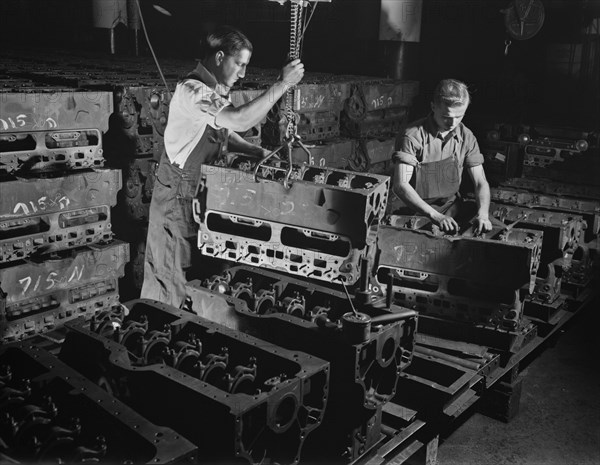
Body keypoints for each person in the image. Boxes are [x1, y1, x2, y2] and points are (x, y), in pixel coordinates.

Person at [141, 26, 304, 307]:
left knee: (204, 281)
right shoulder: (192, 91)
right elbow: (239, 120)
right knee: (171, 282)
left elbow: (225, 130)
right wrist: (282, 85)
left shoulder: (213, 91)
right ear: (219, 57)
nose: (242, 74)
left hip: (201, 197)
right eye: (239, 64)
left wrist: (257, 150)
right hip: (177, 203)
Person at [391, 79, 492, 234]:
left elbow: (480, 181)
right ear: (433, 107)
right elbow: (401, 185)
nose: (453, 122)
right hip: (414, 211)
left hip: (450, 208)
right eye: (446, 116)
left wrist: (483, 214)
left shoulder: (467, 136)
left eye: (459, 116)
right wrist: (436, 216)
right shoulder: (412, 136)